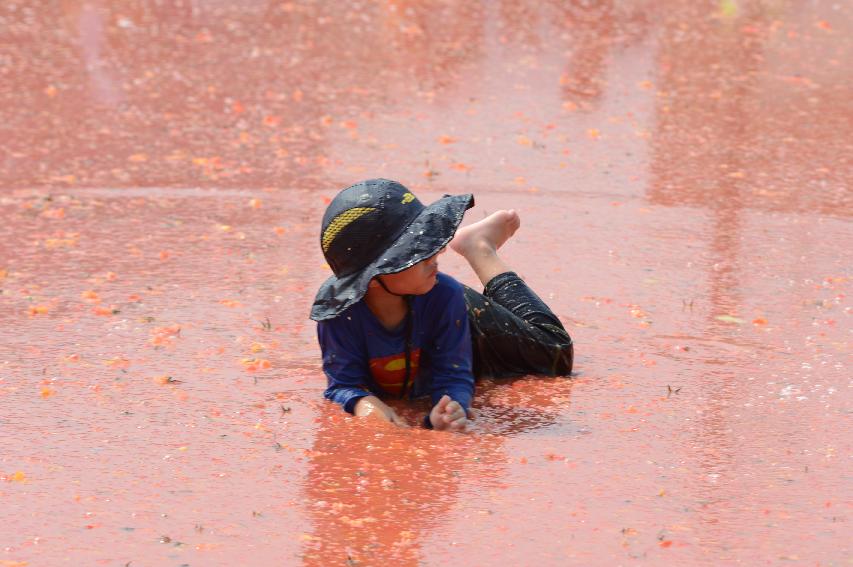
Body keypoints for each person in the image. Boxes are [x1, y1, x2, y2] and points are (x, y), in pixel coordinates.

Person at [310, 178, 573, 431]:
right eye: (417, 252)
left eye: (429, 244)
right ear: (372, 280)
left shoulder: (445, 294)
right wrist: (361, 403)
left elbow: (453, 374)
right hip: (426, 327)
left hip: (461, 320)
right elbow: (342, 384)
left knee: (555, 354)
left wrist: (451, 404)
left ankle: (480, 248)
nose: (436, 253)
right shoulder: (338, 314)